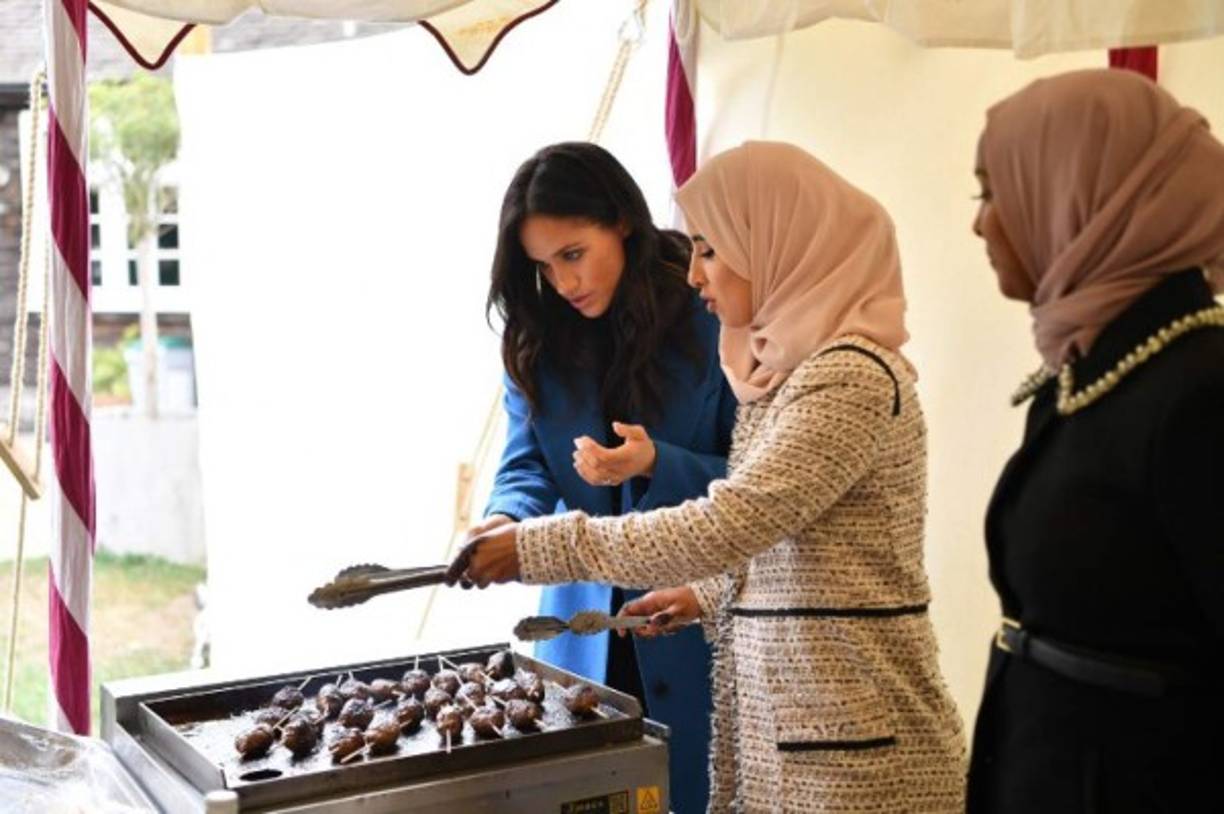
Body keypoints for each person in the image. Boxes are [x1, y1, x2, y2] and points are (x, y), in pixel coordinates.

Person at [452, 141, 967, 812]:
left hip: (835, 726)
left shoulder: (836, 375)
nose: (696, 274)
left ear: (781, 242)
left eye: (711, 250)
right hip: (721, 671)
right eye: (543, 268)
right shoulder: (775, 366)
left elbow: (738, 516)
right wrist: (512, 521)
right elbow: (786, 545)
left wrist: (541, 542)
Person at [966, 68, 1224, 812]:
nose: (980, 224)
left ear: (1077, 197)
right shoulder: (1083, 378)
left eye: (993, 190)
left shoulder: (1201, 392)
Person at [473, 141, 735, 813]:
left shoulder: (712, 313)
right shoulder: (535, 338)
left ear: (620, 219)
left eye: (573, 255)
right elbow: (525, 465)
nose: (563, 284)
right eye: (541, 266)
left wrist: (658, 464)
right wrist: (504, 520)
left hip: (696, 618)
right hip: (581, 631)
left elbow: (764, 481)